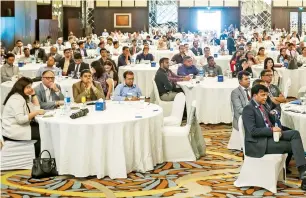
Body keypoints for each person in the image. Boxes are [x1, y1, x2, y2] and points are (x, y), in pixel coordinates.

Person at [242, 84, 306, 190]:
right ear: (254, 96)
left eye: (266, 95)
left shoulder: (263, 106)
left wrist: (276, 123)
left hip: (270, 136)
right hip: (258, 144)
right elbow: (253, 131)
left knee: (295, 134)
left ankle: (303, 171)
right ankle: (304, 177)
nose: (265, 97)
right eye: (262, 95)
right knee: (293, 145)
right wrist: (271, 130)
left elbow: (274, 120)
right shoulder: (248, 109)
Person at [2, 77, 45, 157]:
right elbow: (21, 120)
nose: (30, 89)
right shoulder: (16, 99)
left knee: (43, 129)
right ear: (21, 87)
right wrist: (36, 112)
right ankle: (37, 159)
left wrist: (34, 95)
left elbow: (36, 108)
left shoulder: (23, 97)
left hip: (20, 126)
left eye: (30, 87)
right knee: (43, 133)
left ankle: (39, 157)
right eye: (28, 87)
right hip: (14, 129)